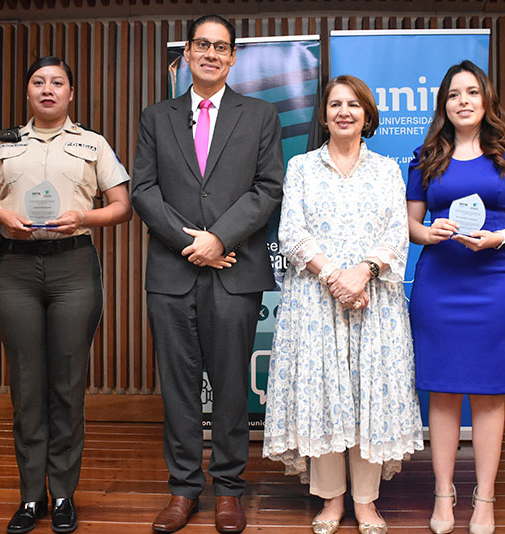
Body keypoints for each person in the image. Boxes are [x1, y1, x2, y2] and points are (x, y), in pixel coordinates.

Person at [0, 56, 132, 534]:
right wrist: (0, 217)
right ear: (28, 92)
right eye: (38, 82)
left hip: (74, 266)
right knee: (27, 386)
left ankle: (64, 494)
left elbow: (122, 207)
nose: (47, 89)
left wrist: (85, 218)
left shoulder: (92, 143)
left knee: (67, 386)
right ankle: (30, 498)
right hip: (16, 268)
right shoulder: (4, 143)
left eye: (57, 82)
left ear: (71, 93)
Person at [130, 14, 284, 534]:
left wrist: (219, 238)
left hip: (233, 270)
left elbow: (267, 189)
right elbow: (143, 191)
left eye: (222, 47)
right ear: (188, 54)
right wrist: (190, 242)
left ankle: (229, 492)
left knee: (231, 387)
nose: (212, 54)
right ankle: (182, 490)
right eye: (203, 45)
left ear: (234, 57)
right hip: (171, 274)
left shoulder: (261, 115)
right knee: (177, 388)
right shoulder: (156, 116)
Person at [263, 75, 425, 534]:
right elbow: (291, 233)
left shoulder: (386, 170)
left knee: (368, 398)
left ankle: (367, 501)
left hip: (375, 303)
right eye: (335, 104)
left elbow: (397, 234)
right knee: (325, 398)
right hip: (316, 302)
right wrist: (335, 276)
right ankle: (332, 501)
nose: (344, 112)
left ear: (367, 115)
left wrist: (364, 273)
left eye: (354, 104)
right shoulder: (301, 167)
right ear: (324, 114)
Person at [405, 60, 505, 534]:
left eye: (471, 93)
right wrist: (429, 231)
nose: (462, 102)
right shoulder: (427, 156)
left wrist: (498, 237)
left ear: (486, 100)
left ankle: (484, 499)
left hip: (493, 284)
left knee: (487, 396)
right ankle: (444, 493)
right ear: (443, 105)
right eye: (453, 95)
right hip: (439, 285)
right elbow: (410, 225)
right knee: (441, 394)